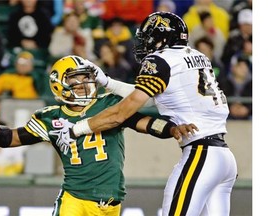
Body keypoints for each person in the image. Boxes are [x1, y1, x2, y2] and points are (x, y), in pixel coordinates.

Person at [0, 55, 197, 216]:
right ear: (60, 84)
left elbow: (145, 123)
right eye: (77, 79)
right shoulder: (50, 118)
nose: (85, 83)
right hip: (74, 200)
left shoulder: (109, 104)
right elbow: (10, 138)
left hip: (111, 202)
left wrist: (171, 129)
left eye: (87, 78)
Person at [71, 12, 238, 216]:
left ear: (164, 37)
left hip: (201, 154)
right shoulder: (196, 56)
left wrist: (78, 128)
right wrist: (107, 82)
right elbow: (152, 96)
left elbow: (121, 113)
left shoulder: (161, 60)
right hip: (224, 158)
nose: (147, 44)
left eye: (150, 38)